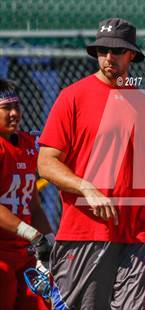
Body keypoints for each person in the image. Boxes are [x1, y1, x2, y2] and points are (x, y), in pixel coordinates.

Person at [37, 18, 145, 309]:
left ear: (132, 55)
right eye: (102, 50)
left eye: (116, 51)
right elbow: (46, 163)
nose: (108, 57)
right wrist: (85, 187)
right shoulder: (72, 97)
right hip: (86, 231)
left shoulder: (143, 104)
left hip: (137, 234)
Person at [0, 79, 53, 310]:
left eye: (17, 106)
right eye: (6, 108)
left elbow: (34, 205)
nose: (14, 113)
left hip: (24, 253)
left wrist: (50, 241)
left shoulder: (27, 144)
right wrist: (34, 236)